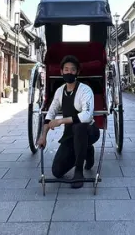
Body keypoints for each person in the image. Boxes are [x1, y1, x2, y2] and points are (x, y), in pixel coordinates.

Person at [37, 55, 98, 189]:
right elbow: (50, 114)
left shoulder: (85, 90)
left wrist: (61, 121)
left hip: (89, 132)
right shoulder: (60, 91)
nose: (69, 72)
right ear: (61, 72)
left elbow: (87, 116)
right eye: (66, 69)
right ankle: (87, 151)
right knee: (57, 171)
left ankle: (78, 172)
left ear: (77, 72)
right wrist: (43, 136)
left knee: (79, 127)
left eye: (72, 70)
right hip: (70, 136)